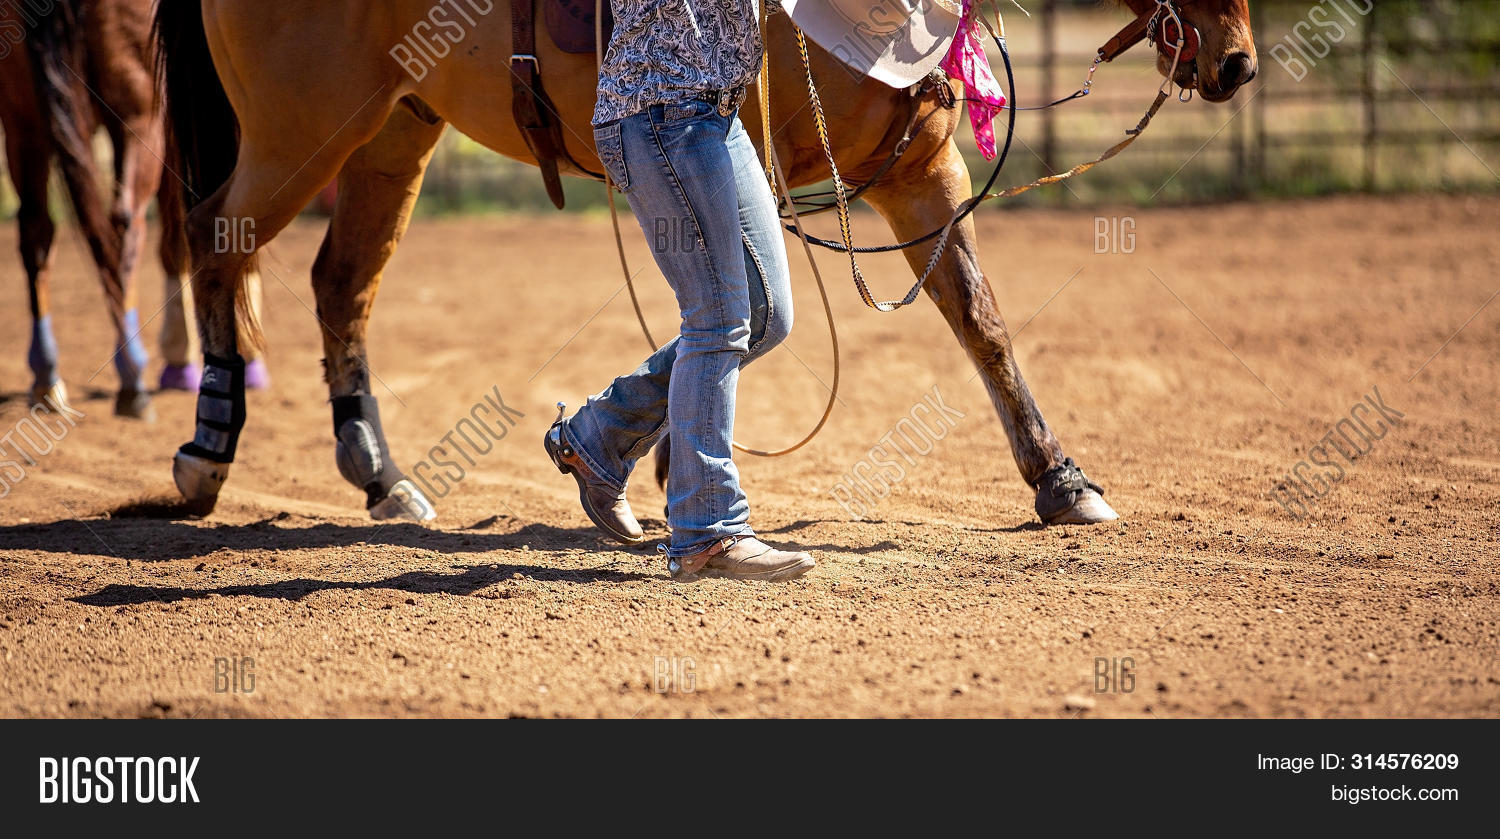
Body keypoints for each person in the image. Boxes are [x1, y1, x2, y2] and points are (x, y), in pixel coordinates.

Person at [544, 0, 815, 582]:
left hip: (716, 110)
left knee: (768, 316)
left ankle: (600, 435)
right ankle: (706, 532)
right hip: (663, 110)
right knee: (717, 320)